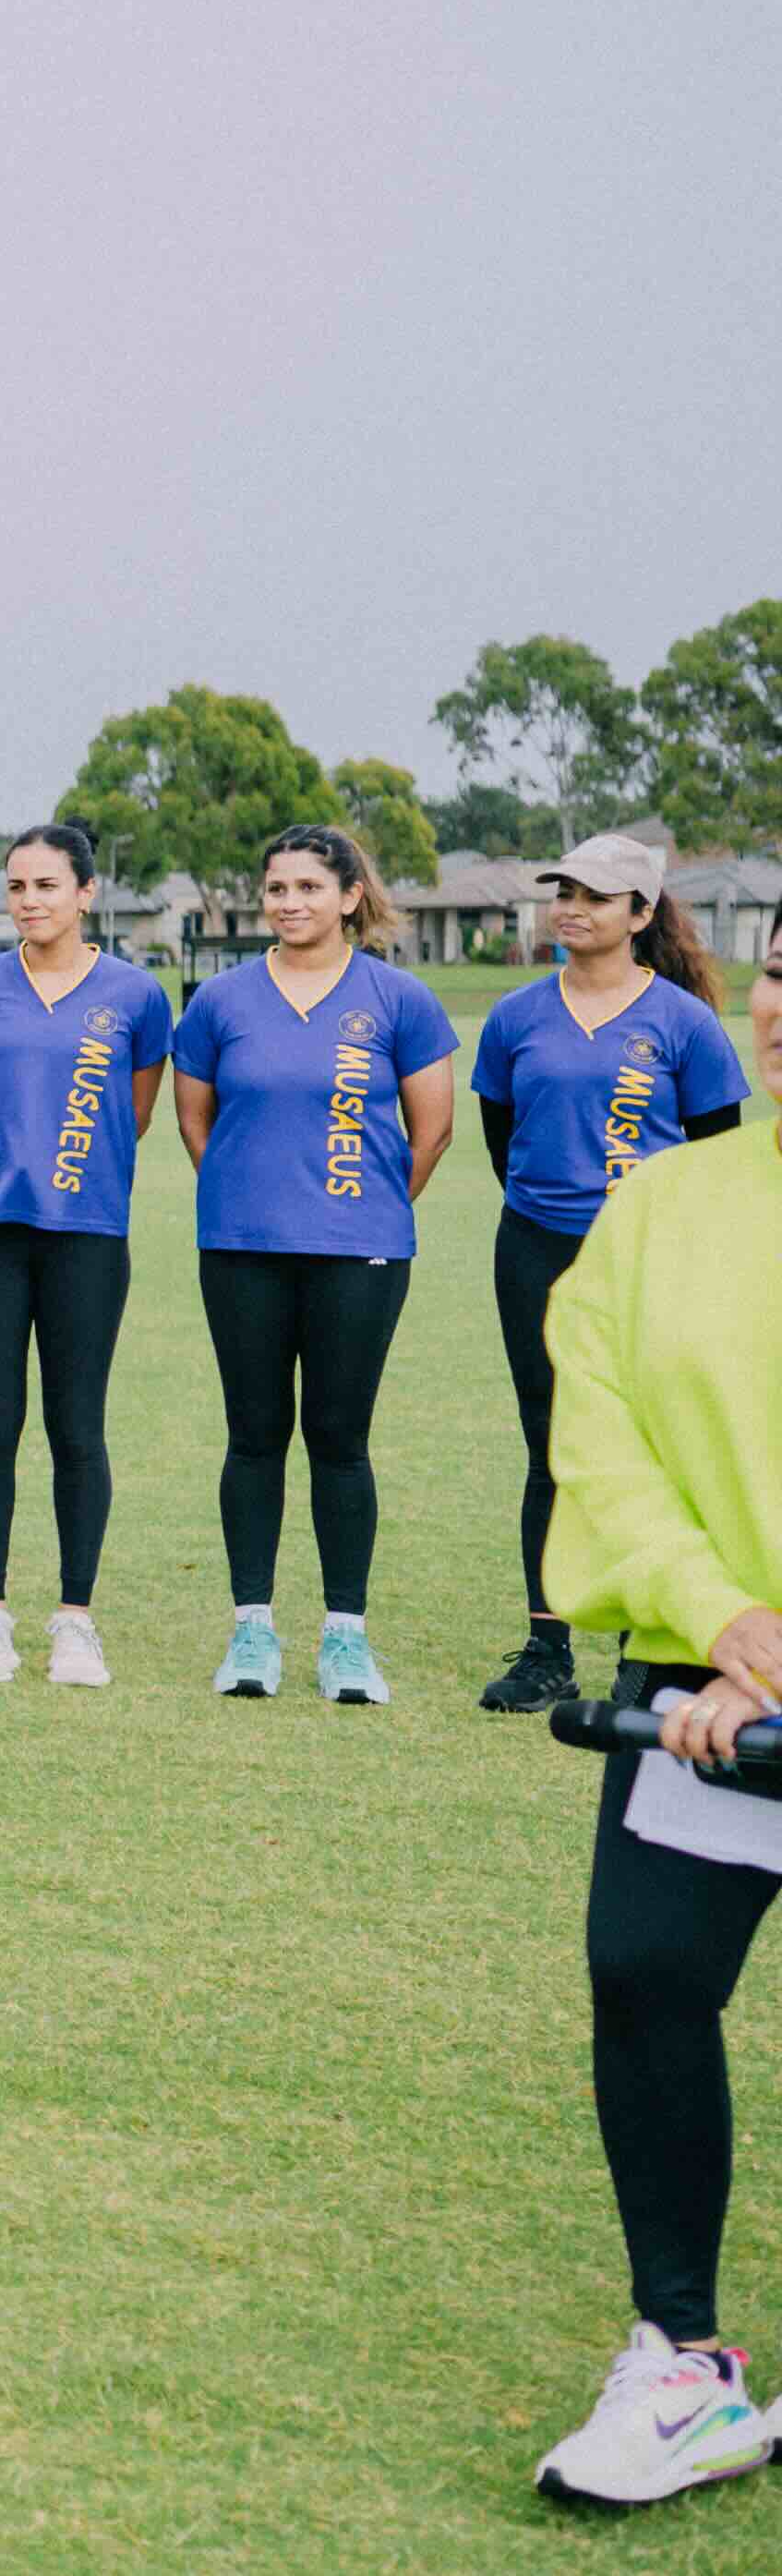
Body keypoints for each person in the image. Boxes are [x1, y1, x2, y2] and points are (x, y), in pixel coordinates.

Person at [523, 930, 782, 2508]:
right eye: (775, 973)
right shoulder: (663, 1203)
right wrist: (726, 1627)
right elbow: (599, 1428)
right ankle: (678, 2359)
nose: (776, 1007)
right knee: (644, 1970)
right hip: (703, 1684)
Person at [171, 823, 458, 1705]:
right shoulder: (221, 1001)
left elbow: (434, 1128)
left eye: (307, 887)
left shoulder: (399, 999)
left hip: (360, 1253)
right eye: (276, 888)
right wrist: (254, 1199)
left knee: (339, 1441)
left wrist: (361, 1206)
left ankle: (346, 1640)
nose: (289, 902)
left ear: (349, 897)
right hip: (243, 1250)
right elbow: (196, 1123)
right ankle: (252, 1631)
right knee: (254, 1438)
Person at [469, 835, 744, 1714]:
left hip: (648, 1259)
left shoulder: (685, 1023)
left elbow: (718, 1154)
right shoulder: (516, 1016)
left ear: (640, 914)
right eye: (565, 891)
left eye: (597, 895)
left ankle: (641, 1656)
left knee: (650, 1449)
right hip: (536, 1249)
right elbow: (502, 1138)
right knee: (550, 1444)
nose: (573, 907)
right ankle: (547, 1648)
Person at [0, 827, 169, 1688]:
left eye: (48, 885)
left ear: (88, 892)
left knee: (78, 1429)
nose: (30, 900)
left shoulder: (137, 995)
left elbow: (132, 1116)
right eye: (18, 885)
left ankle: (75, 1622)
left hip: (88, 1236)